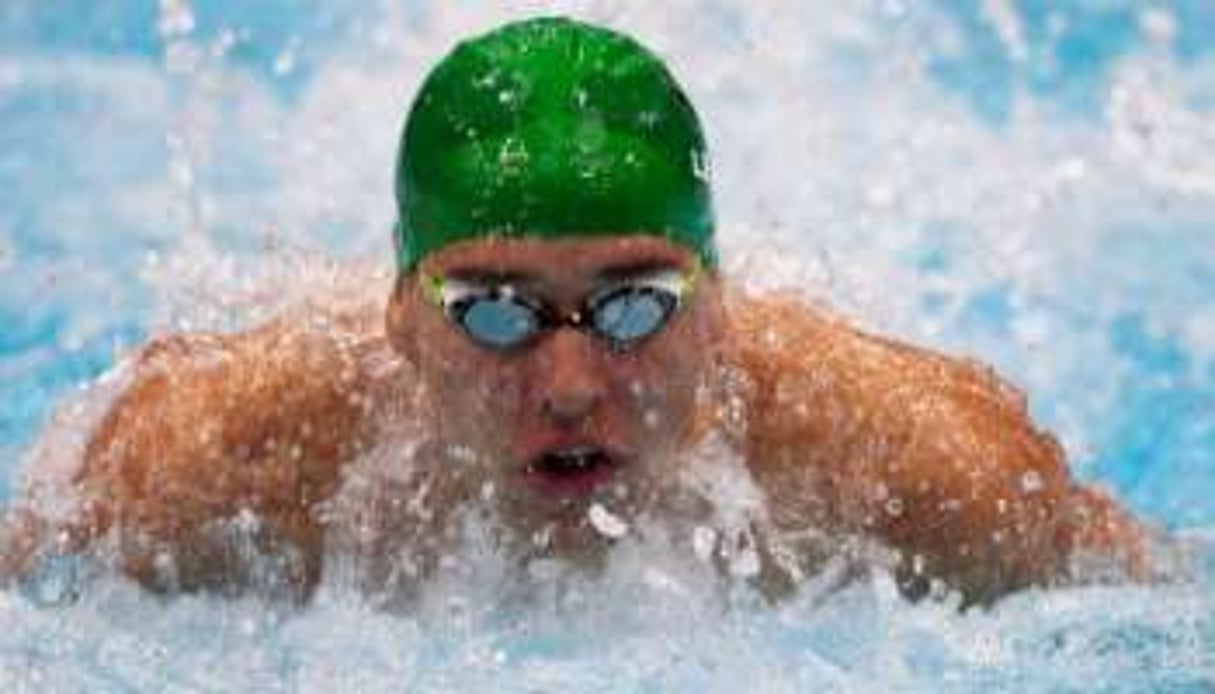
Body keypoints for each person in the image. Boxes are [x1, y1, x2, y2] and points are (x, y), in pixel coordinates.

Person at [0, 16, 1156, 608]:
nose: (567, 385)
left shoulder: (917, 475)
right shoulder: (216, 462)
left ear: (721, 311)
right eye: (494, 315)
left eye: (636, 306)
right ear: (399, 318)